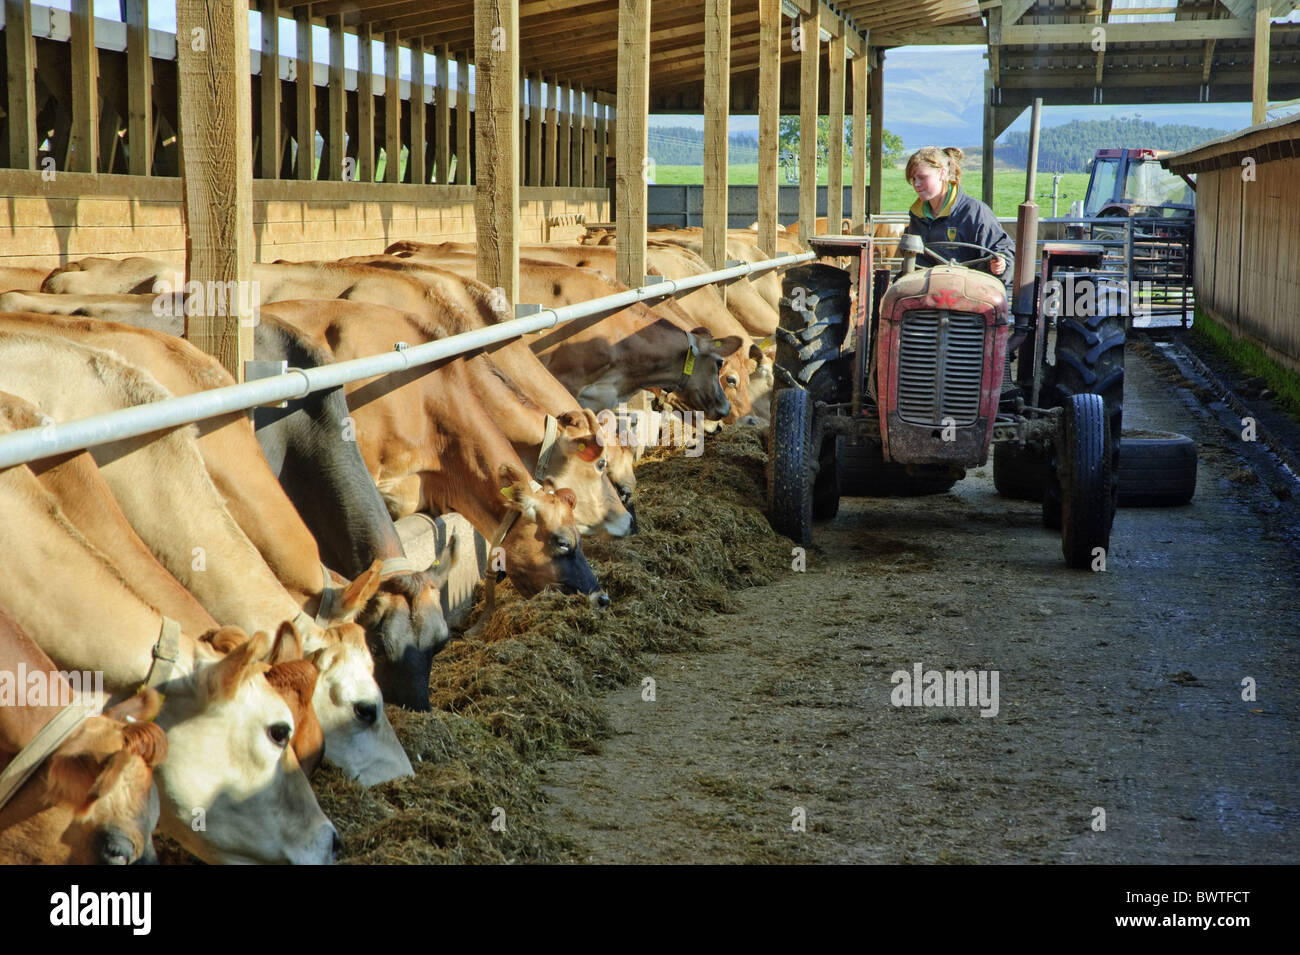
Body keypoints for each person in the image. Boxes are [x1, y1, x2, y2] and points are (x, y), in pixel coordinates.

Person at [903, 146, 1014, 293]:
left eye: (922, 178)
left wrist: (1001, 262)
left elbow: (1003, 250)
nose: (916, 184)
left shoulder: (974, 212)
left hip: (971, 293)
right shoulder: (918, 216)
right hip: (927, 295)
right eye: (913, 179)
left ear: (942, 173)